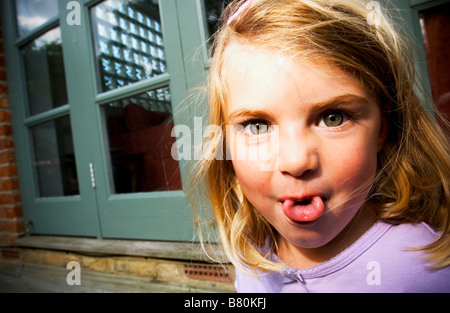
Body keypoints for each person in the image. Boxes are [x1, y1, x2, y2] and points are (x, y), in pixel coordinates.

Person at [187, 0, 450, 292]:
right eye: (257, 125)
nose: (296, 161)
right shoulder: (251, 249)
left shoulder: (425, 269)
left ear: (381, 130)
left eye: (332, 118)